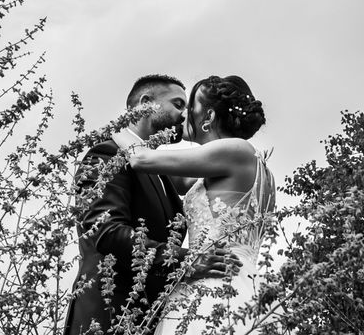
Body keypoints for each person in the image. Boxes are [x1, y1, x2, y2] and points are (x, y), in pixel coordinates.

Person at [64, 75, 239, 335]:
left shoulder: (163, 174)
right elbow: (106, 232)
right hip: (108, 317)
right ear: (146, 103)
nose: (185, 114)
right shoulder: (107, 155)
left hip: (152, 319)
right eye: (178, 104)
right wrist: (187, 261)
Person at [112, 75, 276, 334]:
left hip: (216, 280)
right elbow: (172, 179)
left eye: (190, 106)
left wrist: (119, 128)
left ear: (208, 116)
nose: (184, 114)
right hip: (238, 277)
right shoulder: (241, 166)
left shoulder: (237, 151)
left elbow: (142, 160)